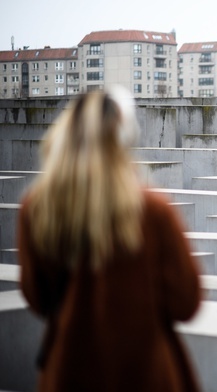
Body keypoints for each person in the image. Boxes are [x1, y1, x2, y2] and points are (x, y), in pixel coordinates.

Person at [17, 87, 204, 392]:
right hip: (147, 375)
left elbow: (38, 298)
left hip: (68, 373)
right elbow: (187, 302)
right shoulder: (153, 212)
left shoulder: (37, 210)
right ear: (123, 141)